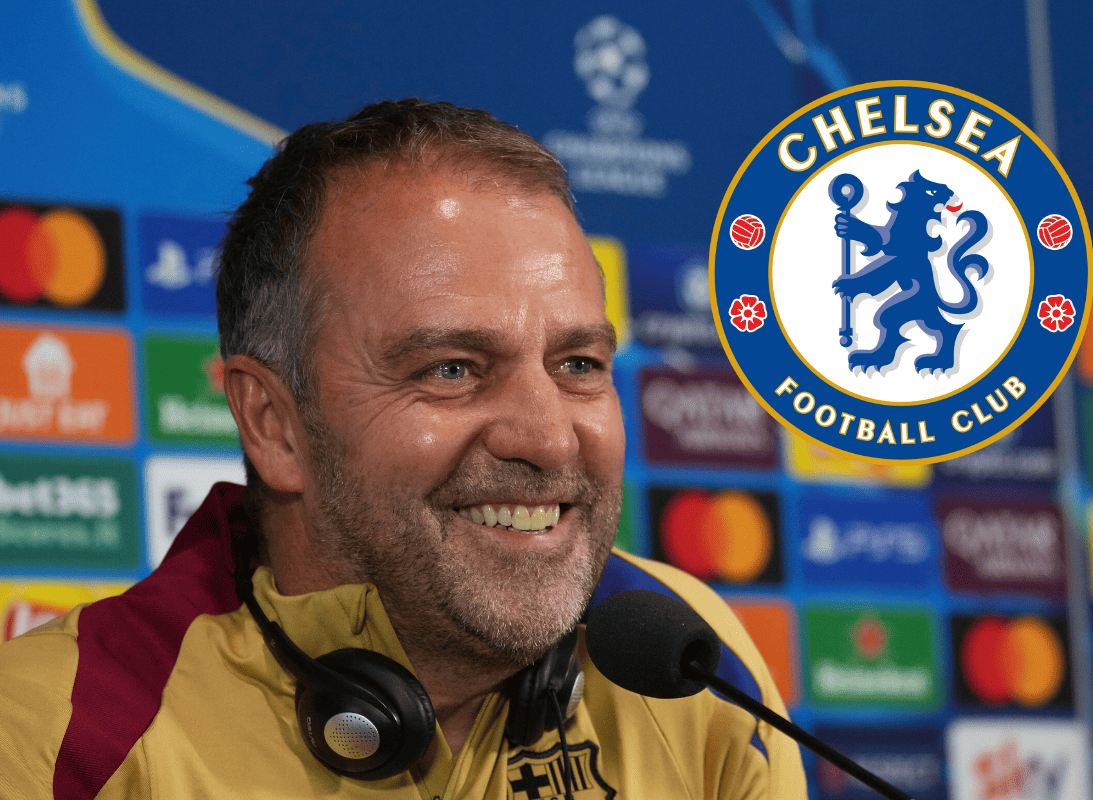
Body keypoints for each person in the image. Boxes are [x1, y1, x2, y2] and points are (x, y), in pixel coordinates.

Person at [0, 99, 805, 799]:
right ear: (274, 424)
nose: (548, 435)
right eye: (452, 369)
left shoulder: (697, 671)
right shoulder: (52, 739)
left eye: (579, 365)